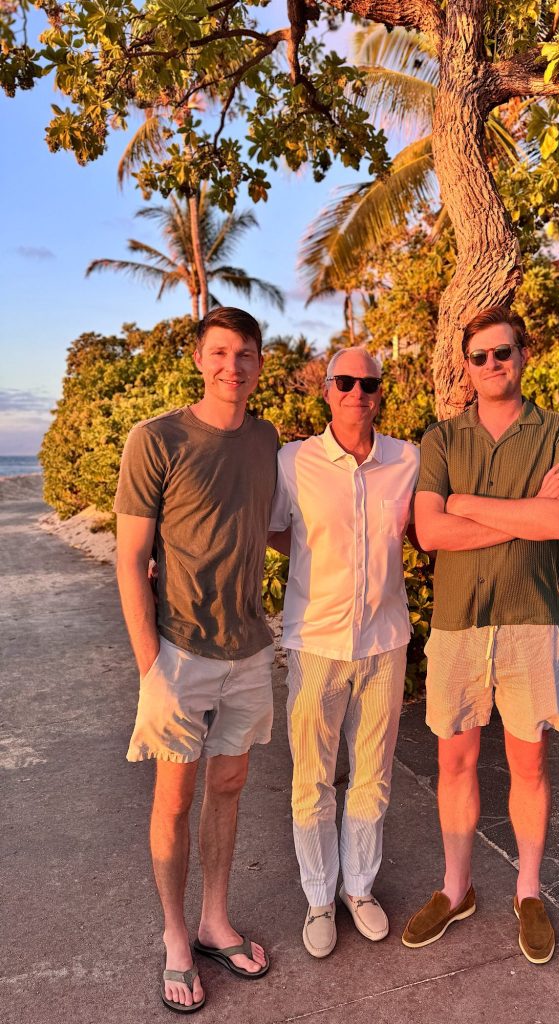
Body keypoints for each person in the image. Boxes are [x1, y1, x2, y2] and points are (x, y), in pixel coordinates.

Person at [402, 306, 559, 965]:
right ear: (467, 365)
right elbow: (430, 533)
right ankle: (456, 889)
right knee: (453, 763)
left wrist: (465, 504)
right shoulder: (441, 440)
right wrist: (524, 514)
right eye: (479, 356)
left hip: (530, 621)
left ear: (522, 354)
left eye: (502, 352)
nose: (491, 364)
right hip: (457, 624)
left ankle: (527, 892)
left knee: (529, 764)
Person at [114, 307, 277, 1013]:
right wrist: (150, 667)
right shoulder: (156, 439)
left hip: (249, 648)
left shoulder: (267, 439)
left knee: (230, 786)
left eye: (245, 354)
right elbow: (130, 559)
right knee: (174, 798)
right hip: (179, 651)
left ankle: (214, 919)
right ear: (198, 359)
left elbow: (269, 527)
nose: (231, 367)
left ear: (259, 364)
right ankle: (176, 936)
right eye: (219, 352)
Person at [268, 346, 419, 958]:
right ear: (327, 391)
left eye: (369, 383)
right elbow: (274, 530)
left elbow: (423, 529)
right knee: (311, 778)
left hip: (385, 642)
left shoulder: (407, 459)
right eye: (345, 382)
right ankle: (319, 899)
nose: (358, 392)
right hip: (316, 642)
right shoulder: (293, 461)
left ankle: (359, 888)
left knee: (372, 775)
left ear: (380, 394)